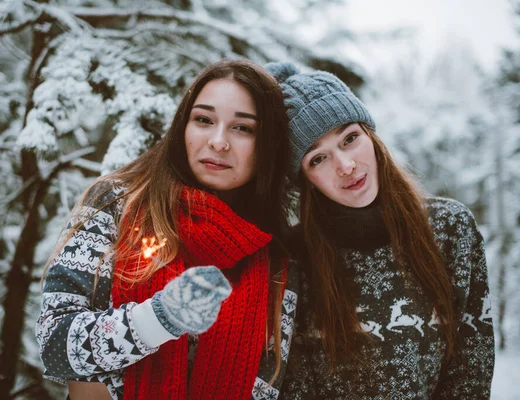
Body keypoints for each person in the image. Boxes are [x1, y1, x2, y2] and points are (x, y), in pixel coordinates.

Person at [35, 59, 299, 400]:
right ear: (183, 126)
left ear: (268, 145)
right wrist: (158, 318)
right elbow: (54, 344)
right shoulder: (116, 203)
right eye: (204, 120)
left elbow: (269, 386)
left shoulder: (276, 256)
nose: (218, 142)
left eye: (243, 128)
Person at [264, 62, 495, 399]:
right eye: (318, 159)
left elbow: (471, 368)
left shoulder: (449, 229)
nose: (346, 166)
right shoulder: (293, 257)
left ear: (371, 137)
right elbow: (294, 384)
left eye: (350, 139)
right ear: (305, 180)